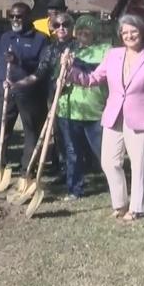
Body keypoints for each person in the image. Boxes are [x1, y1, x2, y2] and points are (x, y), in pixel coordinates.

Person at [70, 13, 144, 222]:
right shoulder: (113, 54)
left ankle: (137, 207)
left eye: (133, 31)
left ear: (142, 32)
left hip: (142, 120)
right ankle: (120, 203)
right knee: (109, 162)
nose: (129, 35)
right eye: (125, 32)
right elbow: (93, 78)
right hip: (114, 116)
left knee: (139, 165)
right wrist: (71, 71)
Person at [37, 13, 103, 199]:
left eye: (87, 31)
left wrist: (77, 63)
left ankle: (118, 183)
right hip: (67, 108)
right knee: (71, 151)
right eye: (80, 30)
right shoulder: (64, 50)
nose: (83, 34)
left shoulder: (102, 49)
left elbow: (97, 69)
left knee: (102, 151)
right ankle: (75, 188)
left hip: (93, 109)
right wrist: (61, 75)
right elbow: (55, 76)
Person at [0, 1, 51, 173]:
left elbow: (42, 66)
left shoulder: (40, 38)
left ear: (28, 17)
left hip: (29, 91)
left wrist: (19, 61)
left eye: (19, 16)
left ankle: (27, 169)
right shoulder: (5, 37)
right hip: (4, 89)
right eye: (12, 16)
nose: (15, 19)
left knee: (31, 130)